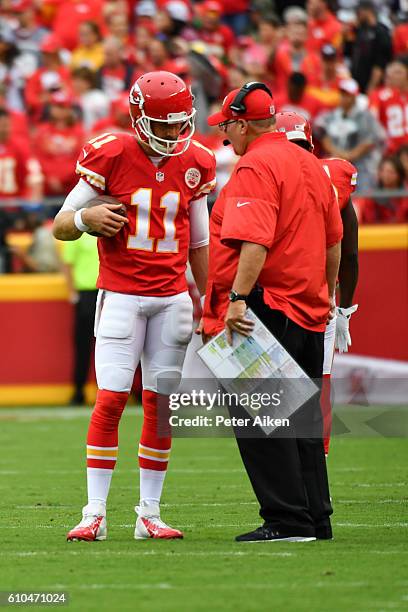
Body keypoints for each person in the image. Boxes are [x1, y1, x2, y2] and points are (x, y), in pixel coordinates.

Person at [53, 71, 216, 541]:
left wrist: (211, 302)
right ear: (139, 117)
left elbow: (200, 244)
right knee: (109, 399)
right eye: (162, 124)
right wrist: (86, 217)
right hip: (122, 294)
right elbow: (61, 224)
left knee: (159, 405)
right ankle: (94, 512)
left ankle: (150, 513)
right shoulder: (111, 152)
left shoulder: (197, 161)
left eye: (178, 124)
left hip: (171, 299)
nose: (171, 133)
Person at [202, 82, 343, 542]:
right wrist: (325, 293)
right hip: (308, 304)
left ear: (242, 122)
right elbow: (333, 241)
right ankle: (315, 516)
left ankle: (287, 519)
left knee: (258, 415)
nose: (227, 138)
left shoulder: (256, 164)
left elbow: (255, 239)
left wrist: (238, 299)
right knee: (300, 418)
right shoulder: (310, 163)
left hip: (267, 302)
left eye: (227, 129)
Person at [275, 110, 359, 455]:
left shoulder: (265, 173)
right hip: (319, 296)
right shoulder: (332, 175)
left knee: (281, 384)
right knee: (317, 379)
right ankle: (313, 462)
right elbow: (349, 252)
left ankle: (290, 466)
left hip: (278, 297)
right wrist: (343, 306)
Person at [316, 78, 384, 191]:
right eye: (342, 94)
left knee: (362, 193)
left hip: (360, 167)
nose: (343, 97)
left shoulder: (365, 116)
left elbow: (369, 141)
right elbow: (320, 130)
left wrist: (347, 156)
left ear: (354, 97)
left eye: (347, 94)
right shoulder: (332, 115)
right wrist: (337, 153)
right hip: (335, 164)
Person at [61, 233, 99, 405]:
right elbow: (67, 264)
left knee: (119, 343)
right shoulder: (77, 231)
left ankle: (133, 390)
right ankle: (78, 391)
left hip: (109, 292)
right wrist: (72, 292)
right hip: (85, 294)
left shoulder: (108, 229)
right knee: (83, 345)